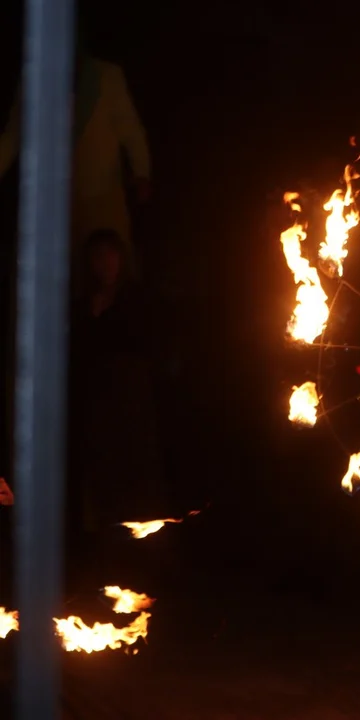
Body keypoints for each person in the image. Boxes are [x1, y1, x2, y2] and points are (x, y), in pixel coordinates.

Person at [0, 26, 151, 280]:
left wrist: (142, 172)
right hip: (50, 210)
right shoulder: (34, 83)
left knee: (105, 284)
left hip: (101, 209)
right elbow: (13, 137)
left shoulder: (106, 78)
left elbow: (131, 132)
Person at [67, 228, 166, 591]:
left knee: (135, 478)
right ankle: (106, 567)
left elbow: (143, 345)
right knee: (102, 481)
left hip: (129, 399)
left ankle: (143, 566)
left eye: (109, 255)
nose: (103, 264)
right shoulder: (82, 304)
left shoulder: (135, 299)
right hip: (96, 403)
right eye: (97, 257)